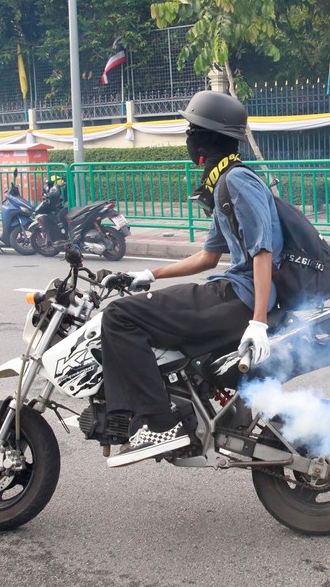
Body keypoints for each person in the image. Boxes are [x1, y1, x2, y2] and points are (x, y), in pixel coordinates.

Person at [97, 90, 283, 468]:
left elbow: (263, 251)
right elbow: (208, 256)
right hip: (235, 291)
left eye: (191, 131)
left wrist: (258, 322)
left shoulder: (237, 182)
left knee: (119, 317)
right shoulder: (222, 183)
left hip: (240, 297)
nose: (187, 139)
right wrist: (148, 274)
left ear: (208, 137)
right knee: (143, 312)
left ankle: (161, 422)